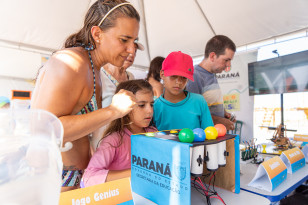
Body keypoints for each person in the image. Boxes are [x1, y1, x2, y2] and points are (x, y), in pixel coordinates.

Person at [31, 0, 141, 192]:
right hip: (56, 180)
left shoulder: (92, 67)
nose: (131, 50)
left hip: (73, 179)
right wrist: (113, 111)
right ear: (97, 34)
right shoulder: (71, 63)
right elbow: (44, 128)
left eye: (134, 42)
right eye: (124, 40)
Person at [82, 80, 157, 187]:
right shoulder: (114, 140)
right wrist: (135, 173)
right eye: (141, 105)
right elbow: (89, 177)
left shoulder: (154, 133)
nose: (149, 110)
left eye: (152, 104)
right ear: (125, 107)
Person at [90, 43, 143, 151]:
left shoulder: (131, 77)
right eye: (127, 47)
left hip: (124, 142)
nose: (132, 53)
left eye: (135, 51)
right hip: (101, 141)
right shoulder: (98, 74)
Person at [186, 35, 237, 131]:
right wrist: (220, 121)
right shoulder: (194, 76)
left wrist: (223, 113)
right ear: (212, 56)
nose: (228, 65)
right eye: (226, 60)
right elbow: (193, 112)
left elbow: (209, 103)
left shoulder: (212, 74)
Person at [153, 51, 213, 131]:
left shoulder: (199, 101)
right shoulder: (154, 107)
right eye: (173, 76)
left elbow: (210, 134)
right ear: (162, 74)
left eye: (184, 77)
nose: (179, 82)